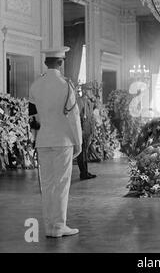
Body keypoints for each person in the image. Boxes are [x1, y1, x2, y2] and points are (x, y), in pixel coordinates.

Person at [29, 47, 82, 238]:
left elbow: (33, 117)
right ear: (61, 62)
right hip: (63, 141)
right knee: (61, 184)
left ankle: (49, 226)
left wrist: (34, 140)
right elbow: (73, 117)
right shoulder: (66, 85)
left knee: (48, 184)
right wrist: (79, 142)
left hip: (43, 141)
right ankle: (59, 226)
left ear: (46, 62)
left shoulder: (35, 85)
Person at [77, 85, 97, 181]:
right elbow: (78, 116)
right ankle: (83, 172)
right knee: (82, 152)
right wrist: (80, 129)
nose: (91, 92)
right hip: (83, 129)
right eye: (89, 90)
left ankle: (86, 171)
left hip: (88, 129)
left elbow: (91, 117)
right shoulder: (80, 101)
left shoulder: (88, 102)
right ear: (84, 91)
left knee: (85, 151)